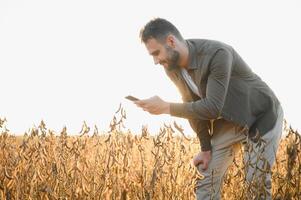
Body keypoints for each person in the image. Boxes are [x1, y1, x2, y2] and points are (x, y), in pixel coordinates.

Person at [135, 18, 283, 200]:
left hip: (261, 116)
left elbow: (212, 107)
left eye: (156, 53)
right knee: (205, 181)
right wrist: (205, 148)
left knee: (255, 186)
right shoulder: (171, 67)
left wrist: (166, 107)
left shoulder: (217, 54)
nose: (156, 61)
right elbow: (191, 105)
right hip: (229, 120)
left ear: (171, 42)